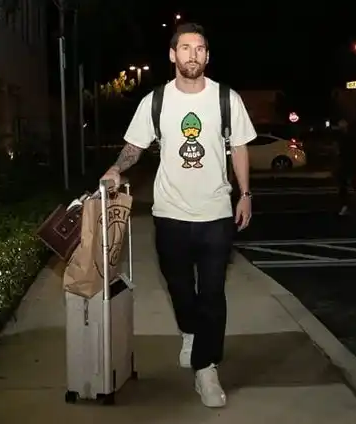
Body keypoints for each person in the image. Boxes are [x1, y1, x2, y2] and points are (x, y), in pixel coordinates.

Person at [100, 23, 257, 408]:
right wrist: (116, 168)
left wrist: (245, 194)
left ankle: (206, 367)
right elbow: (134, 147)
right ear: (173, 55)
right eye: (185, 48)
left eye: (199, 48)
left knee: (213, 293)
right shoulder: (156, 101)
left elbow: (239, 147)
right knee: (180, 288)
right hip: (169, 213)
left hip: (216, 212)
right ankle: (190, 331)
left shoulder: (226, 98)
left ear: (207, 56)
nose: (192, 55)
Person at [335, 117, 356, 215]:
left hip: (349, 162)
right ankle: (349, 205)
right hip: (346, 163)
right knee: (345, 186)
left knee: (352, 185)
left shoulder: (349, 137)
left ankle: (355, 204)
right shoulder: (343, 137)